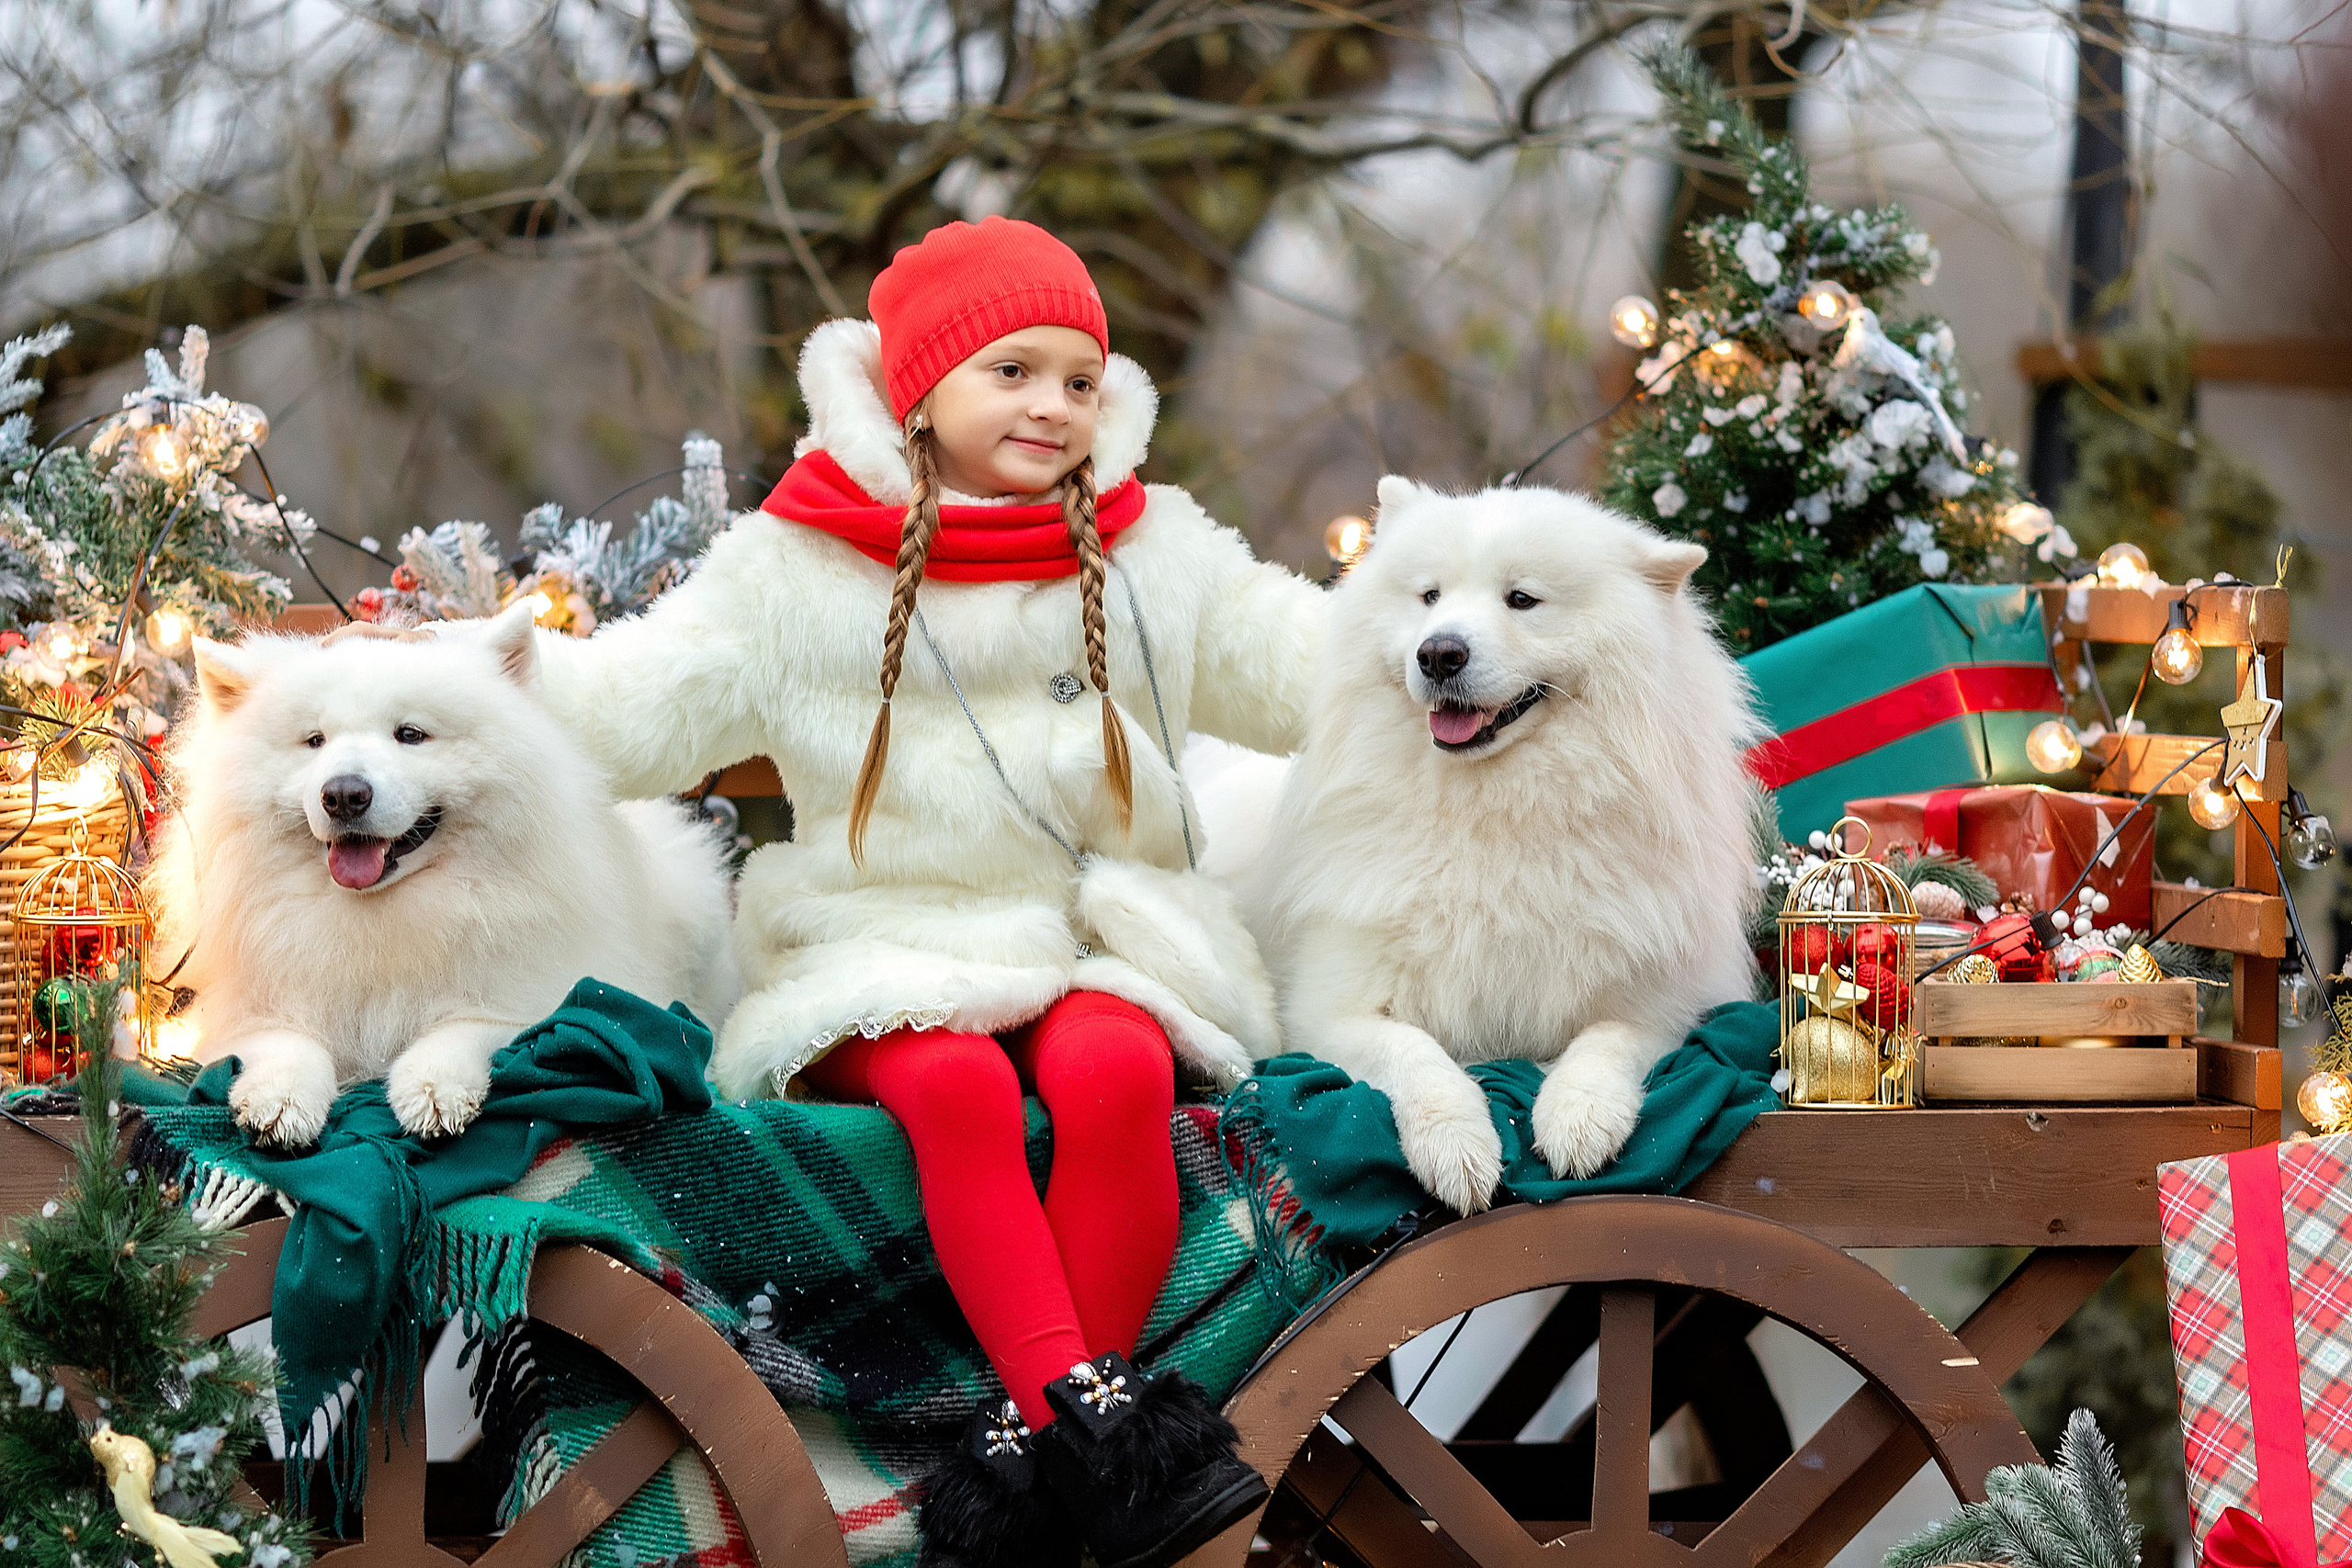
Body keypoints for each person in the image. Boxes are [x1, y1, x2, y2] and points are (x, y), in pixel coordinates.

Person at [535, 218, 1325, 1568]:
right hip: (875, 943)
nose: (1052, 406)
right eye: (1013, 370)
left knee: (1117, 1069)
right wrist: (472, 678)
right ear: (919, 388)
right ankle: (1099, 1436)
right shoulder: (795, 565)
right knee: (956, 1086)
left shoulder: (1156, 551)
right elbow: (628, 712)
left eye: (1081, 380)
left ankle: (1042, 1448)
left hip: (1100, 934)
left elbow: (1319, 667)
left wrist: (1464, 622)